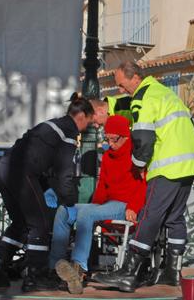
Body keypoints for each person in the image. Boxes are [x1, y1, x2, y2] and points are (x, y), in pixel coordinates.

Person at [94, 61, 194, 292]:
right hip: (190, 162)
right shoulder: (164, 92)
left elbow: (143, 138)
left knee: (148, 215)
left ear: (135, 78)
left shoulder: (144, 97)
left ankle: (129, 273)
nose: (121, 90)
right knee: (175, 217)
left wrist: (137, 165)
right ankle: (172, 273)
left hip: (167, 165)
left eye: (121, 85)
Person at [0, 95, 94, 292]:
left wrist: (48, 188)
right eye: (89, 121)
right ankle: (35, 277)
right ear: (81, 116)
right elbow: (65, 172)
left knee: (20, 223)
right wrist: (69, 202)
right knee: (40, 224)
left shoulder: (52, 125)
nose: (87, 127)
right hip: (21, 172)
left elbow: (41, 157)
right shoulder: (68, 131)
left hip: (3, 169)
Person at [48, 115, 146, 294]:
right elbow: (102, 187)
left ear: (125, 136)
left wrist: (134, 206)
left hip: (125, 206)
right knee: (65, 210)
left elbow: (144, 185)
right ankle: (55, 267)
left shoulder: (136, 155)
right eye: (107, 138)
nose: (110, 143)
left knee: (87, 214)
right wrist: (95, 206)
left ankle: (79, 270)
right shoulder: (108, 156)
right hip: (108, 205)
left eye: (113, 139)